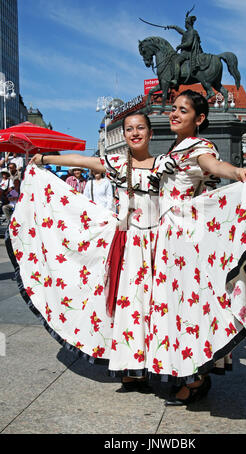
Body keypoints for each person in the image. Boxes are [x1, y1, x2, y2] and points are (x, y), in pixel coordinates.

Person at [6, 111, 160, 393]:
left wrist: (235, 173)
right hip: (127, 243)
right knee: (129, 306)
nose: (134, 133)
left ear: (151, 133)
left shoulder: (164, 165)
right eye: (129, 129)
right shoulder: (116, 162)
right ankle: (132, 367)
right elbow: (82, 160)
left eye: (140, 128)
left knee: (156, 304)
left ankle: (158, 362)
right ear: (124, 135)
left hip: (157, 242)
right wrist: (45, 159)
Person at [145, 90, 246, 405]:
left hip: (184, 240)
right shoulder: (176, 149)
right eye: (173, 109)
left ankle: (197, 377)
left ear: (199, 119)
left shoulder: (199, 148)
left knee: (191, 304)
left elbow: (213, 165)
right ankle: (185, 367)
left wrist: (236, 172)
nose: (174, 114)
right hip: (169, 239)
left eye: (183, 110)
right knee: (176, 305)